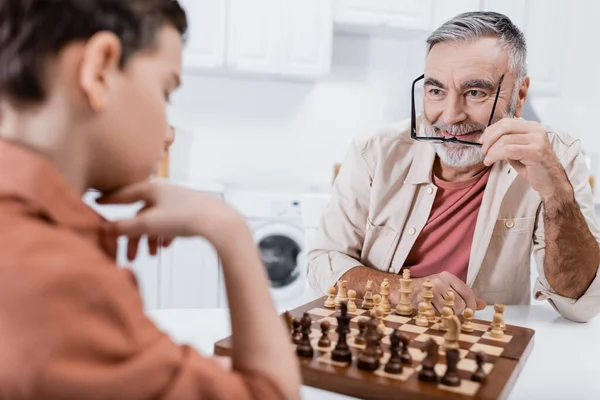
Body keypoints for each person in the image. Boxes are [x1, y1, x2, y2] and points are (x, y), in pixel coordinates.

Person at [0, 1, 300, 399]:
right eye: (166, 90)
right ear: (100, 68)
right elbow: (273, 393)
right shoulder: (61, 280)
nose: (169, 133)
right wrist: (229, 229)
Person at [307, 11, 600, 323]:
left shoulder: (556, 156)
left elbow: (579, 305)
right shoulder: (375, 151)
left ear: (520, 96)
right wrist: (399, 290)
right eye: (436, 91)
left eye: (475, 92)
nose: (450, 116)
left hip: (482, 345)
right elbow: (321, 263)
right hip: (376, 335)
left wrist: (556, 192)